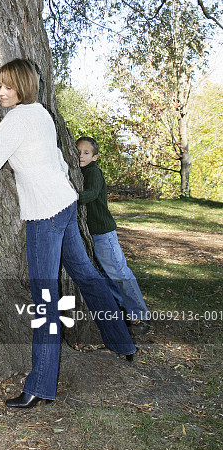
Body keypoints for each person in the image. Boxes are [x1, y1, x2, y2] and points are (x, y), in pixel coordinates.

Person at [0, 58, 135, 410]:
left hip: (45, 215)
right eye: (0, 85)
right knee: (86, 275)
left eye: (8, 86)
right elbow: (56, 156)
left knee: (46, 300)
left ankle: (40, 386)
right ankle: (123, 343)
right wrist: (64, 180)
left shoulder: (19, 119)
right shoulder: (40, 113)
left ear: (23, 87)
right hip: (64, 205)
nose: (0, 92)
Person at [76, 137, 149, 328]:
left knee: (119, 272)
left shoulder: (93, 172)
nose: (80, 156)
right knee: (106, 275)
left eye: (86, 153)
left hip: (103, 234)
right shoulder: (80, 172)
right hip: (93, 235)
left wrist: (74, 197)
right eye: (78, 151)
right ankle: (122, 309)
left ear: (94, 157)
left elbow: (91, 194)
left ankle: (140, 314)